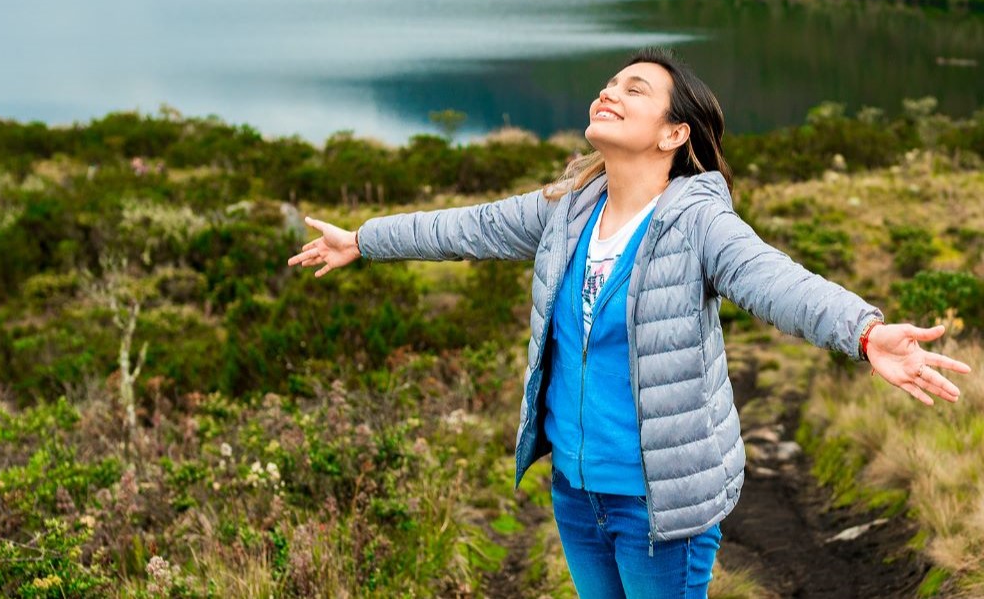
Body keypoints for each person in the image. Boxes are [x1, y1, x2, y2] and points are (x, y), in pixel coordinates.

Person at [286, 47, 971, 598]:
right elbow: (473, 224)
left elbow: (774, 279)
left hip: (658, 504)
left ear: (675, 133)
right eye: (611, 81)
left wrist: (863, 330)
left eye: (635, 88)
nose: (609, 91)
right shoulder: (570, 207)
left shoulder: (700, 221)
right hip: (578, 493)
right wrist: (365, 239)